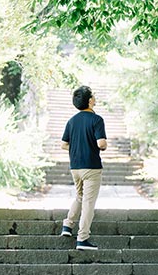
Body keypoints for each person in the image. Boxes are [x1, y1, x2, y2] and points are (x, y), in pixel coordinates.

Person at [59, 85, 107, 250]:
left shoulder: (71, 121)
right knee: (88, 202)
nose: (95, 97)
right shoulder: (96, 120)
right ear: (89, 101)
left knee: (80, 197)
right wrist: (98, 145)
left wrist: (78, 147)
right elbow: (101, 144)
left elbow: (64, 145)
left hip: (75, 167)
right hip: (91, 167)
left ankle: (67, 225)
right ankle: (82, 238)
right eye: (93, 96)